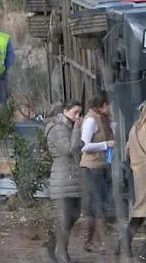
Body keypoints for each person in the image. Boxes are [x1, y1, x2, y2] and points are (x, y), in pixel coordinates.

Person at [117, 99, 146, 260]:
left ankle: (125, 243)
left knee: (141, 211)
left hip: (137, 172)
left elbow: (127, 150)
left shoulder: (134, 128)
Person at [44, 100, 84, 263]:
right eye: (75, 112)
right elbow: (68, 149)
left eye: (79, 113)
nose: (78, 116)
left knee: (73, 216)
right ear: (65, 111)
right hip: (62, 177)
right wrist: (76, 130)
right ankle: (62, 254)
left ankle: (50, 246)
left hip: (72, 176)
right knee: (65, 219)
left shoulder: (67, 127)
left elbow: (77, 145)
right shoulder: (57, 128)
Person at [79, 91, 115, 254]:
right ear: (104, 105)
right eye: (110, 104)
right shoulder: (91, 120)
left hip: (101, 167)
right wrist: (106, 144)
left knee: (94, 207)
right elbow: (84, 146)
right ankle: (104, 244)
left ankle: (89, 243)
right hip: (93, 168)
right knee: (99, 206)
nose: (112, 107)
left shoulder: (102, 119)